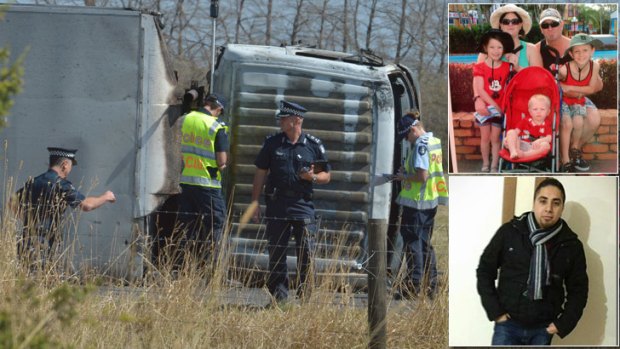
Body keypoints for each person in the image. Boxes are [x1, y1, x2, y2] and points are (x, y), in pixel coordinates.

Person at [476, 178, 588, 345]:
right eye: (543, 201)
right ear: (534, 203)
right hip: (508, 325)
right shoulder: (510, 232)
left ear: (562, 207)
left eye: (556, 203)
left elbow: (579, 290)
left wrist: (561, 324)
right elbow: (485, 270)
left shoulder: (571, 245)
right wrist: (496, 312)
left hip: (542, 329)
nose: (548, 209)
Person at [250, 100, 331, 302]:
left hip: (303, 206)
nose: (280, 121)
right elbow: (260, 173)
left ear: (296, 120)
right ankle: (279, 299)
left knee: (307, 253)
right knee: (277, 253)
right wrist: (254, 202)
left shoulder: (313, 145)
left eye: (284, 118)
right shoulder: (272, 143)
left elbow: (326, 176)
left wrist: (311, 177)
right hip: (277, 204)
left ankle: (306, 297)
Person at [13, 147, 116, 269]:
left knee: (26, 279)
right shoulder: (61, 184)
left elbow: (12, 203)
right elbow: (86, 205)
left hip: (27, 241)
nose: (70, 170)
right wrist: (106, 197)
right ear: (65, 165)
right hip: (47, 243)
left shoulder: (34, 181)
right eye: (71, 166)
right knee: (45, 279)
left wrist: (27, 220)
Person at [535, 8, 603, 171]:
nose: (550, 28)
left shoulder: (576, 47)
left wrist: (574, 89)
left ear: (562, 24)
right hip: (551, 97)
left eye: (554, 23)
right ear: (541, 28)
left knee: (594, 118)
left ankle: (574, 151)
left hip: (576, 95)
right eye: (546, 25)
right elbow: (538, 79)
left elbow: (598, 85)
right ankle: (560, 157)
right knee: (562, 120)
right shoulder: (537, 49)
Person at [393, 112, 448, 299]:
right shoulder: (434, 142)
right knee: (425, 244)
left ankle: (413, 285)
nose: (407, 141)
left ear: (413, 130)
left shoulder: (421, 146)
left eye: (407, 136)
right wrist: (407, 169)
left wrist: (403, 177)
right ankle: (431, 284)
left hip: (417, 203)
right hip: (430, 201)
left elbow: (422, 176)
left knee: (413, 243)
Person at [178, 92, 229, 268]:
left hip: (185, 183)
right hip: (208, 184)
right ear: (219, 108)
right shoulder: (216, 126)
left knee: (187, 228)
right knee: (216, 225)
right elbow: (222, 161)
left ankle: (184, 268)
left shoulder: (186, 118)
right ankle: (214, 271)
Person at [557, 34, 603, 172]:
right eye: (577, 51)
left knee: (578, 122)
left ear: (592, 51)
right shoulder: (565, 69)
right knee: (567, 123)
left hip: (578, 100)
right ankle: (565, 159)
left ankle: (574, 150)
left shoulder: (595, 66)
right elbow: (557, 85)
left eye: (585, 50)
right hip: (564, 100)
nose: (581, 55)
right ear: (571, 54)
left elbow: (591, 88)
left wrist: (571, 88)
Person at [473, 29, 514, 172]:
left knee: (495, 138)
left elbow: (509, 88)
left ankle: (494, 165)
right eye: (492, 47)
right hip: (487, 107)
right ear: (485, 48)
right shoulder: (479, 67)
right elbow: (480, 89)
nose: (496, 51)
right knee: (485, 137)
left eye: (499, 47)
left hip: (499, 109)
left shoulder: (507, 68)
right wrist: (495, 106)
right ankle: (485, 163)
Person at [478, 4, 543, 72]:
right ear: (500, 25)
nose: (510, 24)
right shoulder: (485, 52)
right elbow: (479, 77)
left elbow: (539, 79)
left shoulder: (531, 50)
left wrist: (518, 68)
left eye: (515, 21)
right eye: (506, 22)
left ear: (521, 25)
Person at [503, 94, 552, 159]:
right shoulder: (525, 121)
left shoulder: (547, 124)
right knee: (511, 132)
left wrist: (540, 141)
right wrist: (508, 139)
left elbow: (549, 138)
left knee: (546, 145)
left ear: (548, 112)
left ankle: (524, 155)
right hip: (521, 144)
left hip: (535, 148)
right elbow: (515, 132)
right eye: (535, 109)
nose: (538, 112)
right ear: (530, 111)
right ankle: (514, 152)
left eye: (542, 109)